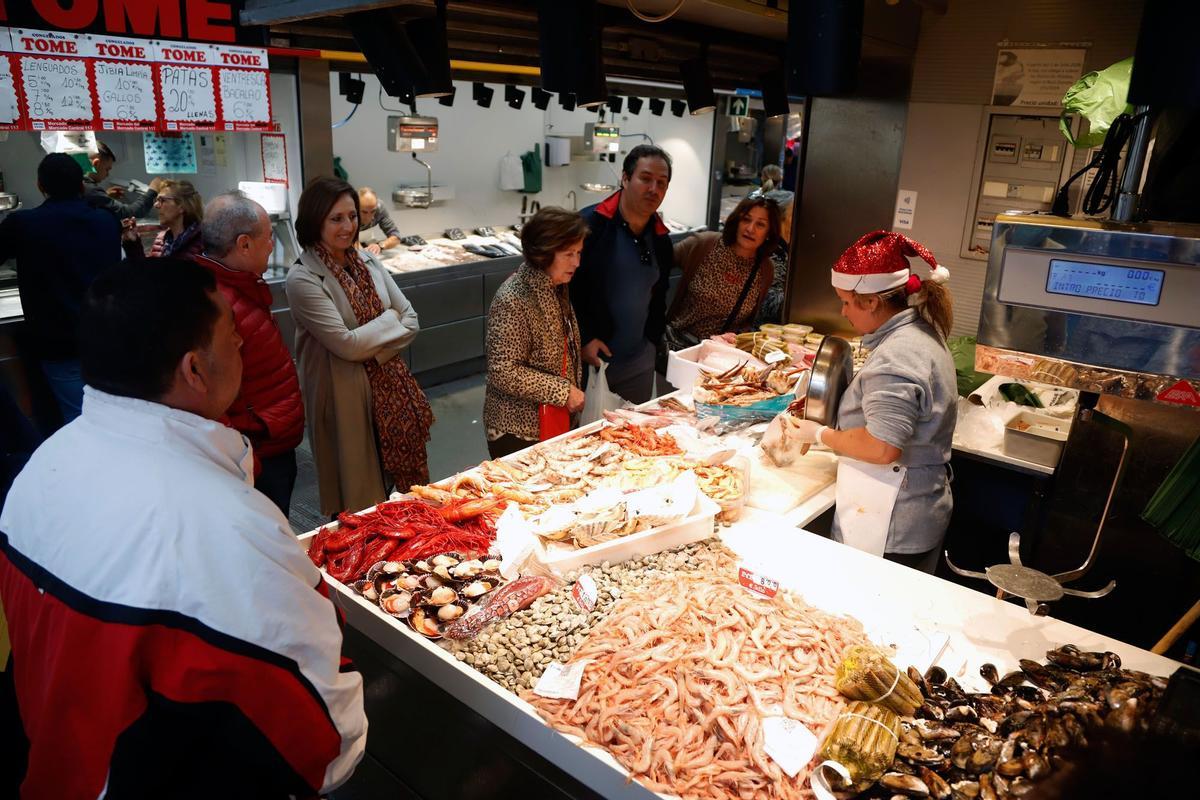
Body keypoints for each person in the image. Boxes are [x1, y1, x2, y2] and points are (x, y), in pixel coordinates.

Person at [0, 258, 366, 797]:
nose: (241, 343)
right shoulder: (227, 530)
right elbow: (326, 745)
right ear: (195, 370)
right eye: (231, 333)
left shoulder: (42, 466)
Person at [772, 231, 956, 574]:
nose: (843, 312)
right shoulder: (917, 332)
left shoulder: (898, 355)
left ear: (871, 302)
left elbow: (881, 447)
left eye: (846, 302)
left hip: (891, 520)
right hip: (915, 506)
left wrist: (819, 434)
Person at [287, 177, 431, 515]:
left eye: (352, 216)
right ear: (315, 221)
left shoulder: (368, 260)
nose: (348, 226)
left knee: (402, 493)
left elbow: (411, 320)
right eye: (336, 218)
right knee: (359, 497)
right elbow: (346, 345)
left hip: (391, 391)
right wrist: (390, 321)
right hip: (343, 395)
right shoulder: (303, 278)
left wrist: (374, 340)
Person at [198, 191, 304, 515]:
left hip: (270, 439)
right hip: (257, 452)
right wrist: (246, 458)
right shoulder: (216, 304)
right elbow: (207, 395)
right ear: (244, 244)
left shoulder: (241, 284)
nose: (272, 245)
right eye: (268, 237)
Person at [0, 154, 121, 425]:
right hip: (107, 339)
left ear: (40, 186)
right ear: (81, 185)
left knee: (79, 421)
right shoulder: (106, 220)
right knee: (115, 418)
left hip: (58, 343)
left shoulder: (23, 224)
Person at [570, 144, 674, 404]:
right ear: (625, 178)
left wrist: (652, 342)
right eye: (645, 178)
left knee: (634, 426)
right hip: (592, 358)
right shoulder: (589, 226)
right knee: (587, 428)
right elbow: (567, 290)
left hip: (639, 360)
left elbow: (658, 295)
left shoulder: (661, 238)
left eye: (661, 183)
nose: (654, 189)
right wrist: (585, 338)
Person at [484, 207, 588, 458]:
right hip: (519, 431)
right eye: (569, 254)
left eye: (579, 253)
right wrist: (563, 392)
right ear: (544, 254)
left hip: (555, 420)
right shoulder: (513, 299)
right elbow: (503, 371)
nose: (577, 262)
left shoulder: (556, 285)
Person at [666, 196, 781, 345]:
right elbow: (658, 261)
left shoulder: (765, 269)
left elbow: (747, 322)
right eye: (746, 219)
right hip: (679, 344)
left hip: (720, 353)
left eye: (760, 224)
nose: (750, 229)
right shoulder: (705, 244)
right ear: (737, 221)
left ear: (769, 233)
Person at [122, 179, 204, 260]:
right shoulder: (161, 240)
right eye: (156, 200)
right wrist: (132, 243)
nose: (155, 205)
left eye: (162, 200)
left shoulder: (202, 241)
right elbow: (148, 268)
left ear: (181, 206)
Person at [84, 139, 164, 219]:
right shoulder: (89, 189)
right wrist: (152, 191)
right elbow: (130, 213)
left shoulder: (82, 185)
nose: (107, 175)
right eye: (107, 169)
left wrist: (105, 197)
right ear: (96, 164)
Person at [357, 186, 402, 255]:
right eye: (364, 212)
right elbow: (348, 240)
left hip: (366, 243)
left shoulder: (379, 208)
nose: (369, 217)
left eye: (373, 211)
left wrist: (380, 245)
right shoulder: (349, 211)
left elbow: (396, 236)